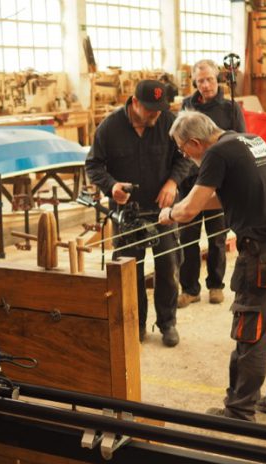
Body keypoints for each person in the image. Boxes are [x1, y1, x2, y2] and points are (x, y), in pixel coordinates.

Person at [159, 111, 266, 421]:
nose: (183, 155)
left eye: (181, 148)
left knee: (251, 331)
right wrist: (187, 206)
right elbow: (222, 196)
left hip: (265, 253)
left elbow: (189, 210)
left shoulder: (216, 153)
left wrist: (171, 214)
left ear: (194, 142)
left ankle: (239, 410)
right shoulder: (250, 140)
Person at [86, 80, 191, 347]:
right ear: (134, 103)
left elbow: (187, 157)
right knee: (130, 271)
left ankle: (168, 323)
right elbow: (94, 165)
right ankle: (136, 324)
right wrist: (111, 187)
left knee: (168, 266)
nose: (156, 115)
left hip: (164, 210)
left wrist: (172, 183)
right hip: (127, 212)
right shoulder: (109, 128)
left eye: (159, 109)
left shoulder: (170, 122)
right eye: (150, 110)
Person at [177, 59, 247, 309]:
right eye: (200, 81)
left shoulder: (230, 108)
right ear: (194, 82)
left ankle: (215, 285)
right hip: (190, 182)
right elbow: (180, 142)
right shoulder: (187, 105)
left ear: (218, 79)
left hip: (218, 182)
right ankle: (189, 289)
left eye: (209, 80)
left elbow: (241, 144)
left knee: (217, 237)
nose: (205, 85)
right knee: (187, 237)